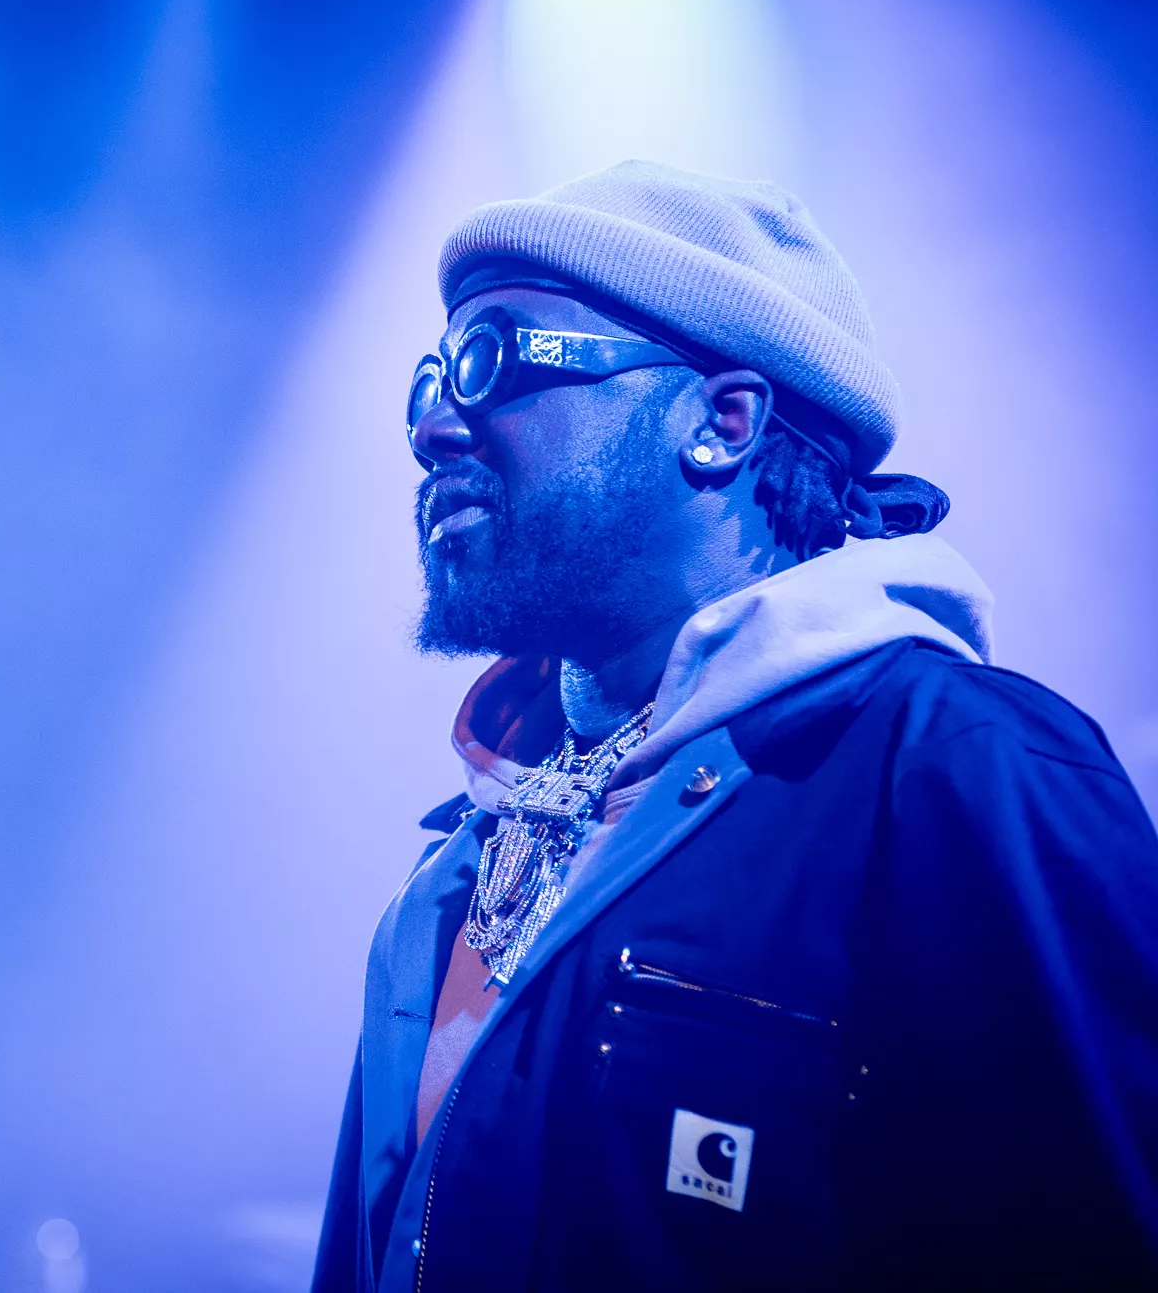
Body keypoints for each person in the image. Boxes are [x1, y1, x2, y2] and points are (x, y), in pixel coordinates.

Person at [309, 161, 1158, 1291]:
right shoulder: (454, 872)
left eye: (491, 360)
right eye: (430, 376)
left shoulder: (959, 771)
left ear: (721, 421)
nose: (431, 425)